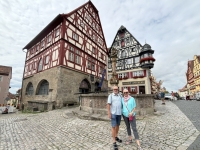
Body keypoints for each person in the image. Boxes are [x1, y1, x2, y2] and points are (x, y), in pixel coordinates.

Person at [107, 85, 122, 150]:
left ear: (118, 90)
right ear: (113, 90)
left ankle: (116, 136)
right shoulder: (110, 96)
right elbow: (108, 104)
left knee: (118, 125)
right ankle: (114, 141)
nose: (115, 90)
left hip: (119, 113)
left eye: (116, 89)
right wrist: (109, 113)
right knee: (113, 127)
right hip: (113, 113)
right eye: (114, 89)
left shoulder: (120, 96)